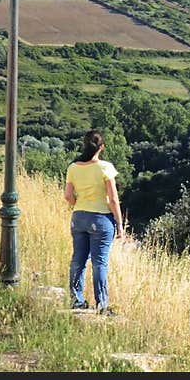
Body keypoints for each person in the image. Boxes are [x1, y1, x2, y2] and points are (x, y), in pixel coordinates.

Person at [63, 129, 124, 314]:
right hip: (101, 218)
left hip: (79, 216)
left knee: (78, 260)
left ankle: (76, 299)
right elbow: (113, 199)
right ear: (101, 147)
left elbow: (67, 196)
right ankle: (102, 304)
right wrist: (119, 224)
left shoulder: (73, 167)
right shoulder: (105, 168)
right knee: (99, 263)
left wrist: (80, 204)